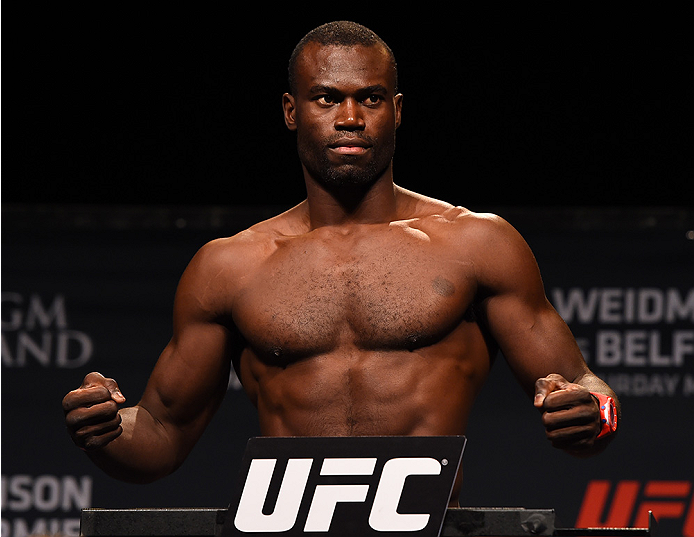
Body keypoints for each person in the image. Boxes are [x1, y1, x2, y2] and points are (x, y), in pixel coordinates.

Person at [62, 21, 620, 505]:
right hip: (282, 529)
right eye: (326, 97)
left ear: (396, 111)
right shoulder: (230, 267)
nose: (350, 117)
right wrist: (106, 429)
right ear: (291, 110)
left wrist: (592, 413)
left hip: (427, 530)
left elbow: (581, 386)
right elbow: (161, 432)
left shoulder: (477, 244)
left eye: (371, 98)